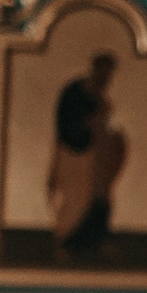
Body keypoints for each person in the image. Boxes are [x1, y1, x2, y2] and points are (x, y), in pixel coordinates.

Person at [48, 52, 126, 265]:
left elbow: (107, 127)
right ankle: (63, 244)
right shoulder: (74, 91)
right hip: (75, 153)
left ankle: (94, 243)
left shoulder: (102, 98)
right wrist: (88, 126)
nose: (106, 78)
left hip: (96, 158)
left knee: (99, 200)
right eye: (103, 72)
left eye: (109, 74)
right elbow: (68, 126)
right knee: (75, 200)